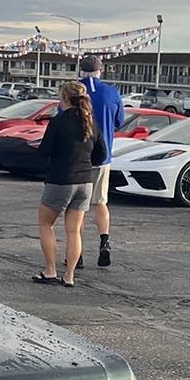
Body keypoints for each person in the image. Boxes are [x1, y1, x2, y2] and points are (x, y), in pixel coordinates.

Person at [34, 81, 108, 287]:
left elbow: (44, 151)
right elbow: (101, 154)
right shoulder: (91, 122)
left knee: (45, 224)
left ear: (65, 99)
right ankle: (69, 276)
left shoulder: (58, 121)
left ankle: (50, 270)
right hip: (85, 181)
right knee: (74, 231)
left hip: (60, 179)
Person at [78, 55, 124, 268]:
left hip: (78, 158)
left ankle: (76, 253)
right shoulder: (112, 92)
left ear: (81, 71)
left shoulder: (74, 91)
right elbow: (119, 122)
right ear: (100, 71)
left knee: (77, 207)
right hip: (103, 157)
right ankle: (104, 241)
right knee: (100, 202)